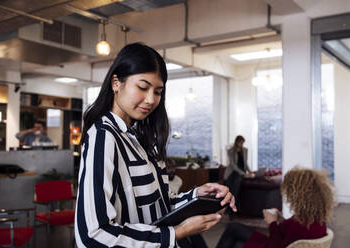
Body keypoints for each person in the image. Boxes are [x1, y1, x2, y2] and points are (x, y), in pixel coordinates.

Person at [75, 43, 237, 248]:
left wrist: (196, 196)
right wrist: (178, 232)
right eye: (142, 87)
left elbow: (158, 207)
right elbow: (93, 235)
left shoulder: (140, 138)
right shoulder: (104, 137)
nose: (151, 99)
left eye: (158, 91)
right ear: (116, 83)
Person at [216, 167, 334, 248]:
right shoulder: (315, 219)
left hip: (272, 245)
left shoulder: (299, 224)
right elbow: (289, 231)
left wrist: (272, 222)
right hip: (278, 242)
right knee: (234, 229)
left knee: (234, 235)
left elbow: (275, 244)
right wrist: (281, 218)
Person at [223, 135, 252, 205]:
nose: (242, 144)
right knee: (230, 188)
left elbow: (245, 163)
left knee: (235, 188)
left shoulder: (245, 150)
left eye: (243, 143)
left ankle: (233, 205)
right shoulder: (231, 151)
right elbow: (233, 165)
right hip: (232, 172)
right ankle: (230, 206)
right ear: (237, 142)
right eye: (241, 143)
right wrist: (243, 173)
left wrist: (249, 171)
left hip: (241, 172)